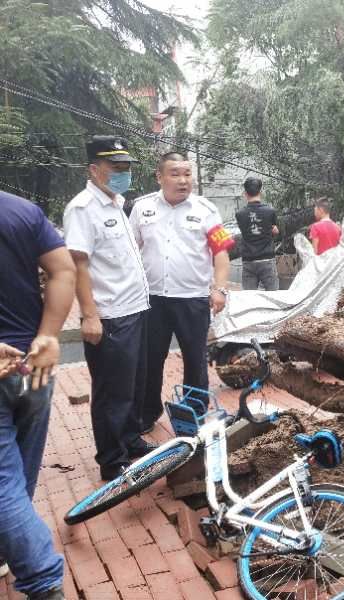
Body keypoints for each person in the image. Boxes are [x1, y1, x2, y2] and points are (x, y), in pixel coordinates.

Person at [63, 135, 156, 481]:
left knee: (134, 385)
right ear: (94, 169)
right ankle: (112, 458)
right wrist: (89, 314)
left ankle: (131, 440)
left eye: (126, 167)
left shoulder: (116, 203)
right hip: (110, 315)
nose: (123, 173)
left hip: (135, 308)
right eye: (115, 167)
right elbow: (78, 264)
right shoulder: (83, 209)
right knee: (112, 391)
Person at [0, 189, 76, 599]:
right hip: (34, 363)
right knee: (17, 474)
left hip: (16, 363)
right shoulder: (21, 210)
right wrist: (48, 334)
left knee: (5, 481)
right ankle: (10, 546)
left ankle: (42, 579)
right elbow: (64, 270)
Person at [129, 152, 234, 432]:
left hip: (193, 299)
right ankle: (146, 414)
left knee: (195, 358)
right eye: (175, 173)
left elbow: (221, 253)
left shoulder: (206, 209)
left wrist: (220, 288)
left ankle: (194, 414)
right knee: (151, 359)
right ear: (159, 176)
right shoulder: (141, 209)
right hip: (152, 300)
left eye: (187, 173)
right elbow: (131, 251)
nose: (183, 180)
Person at [235, 177, 280, 290]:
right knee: (274, 297)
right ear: (260, 192)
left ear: (245, 193)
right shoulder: (270, 212)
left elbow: (245, 231)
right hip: (267, 259)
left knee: (250, 299)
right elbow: (275, 231)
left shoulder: (240, 214)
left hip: (248, 260)